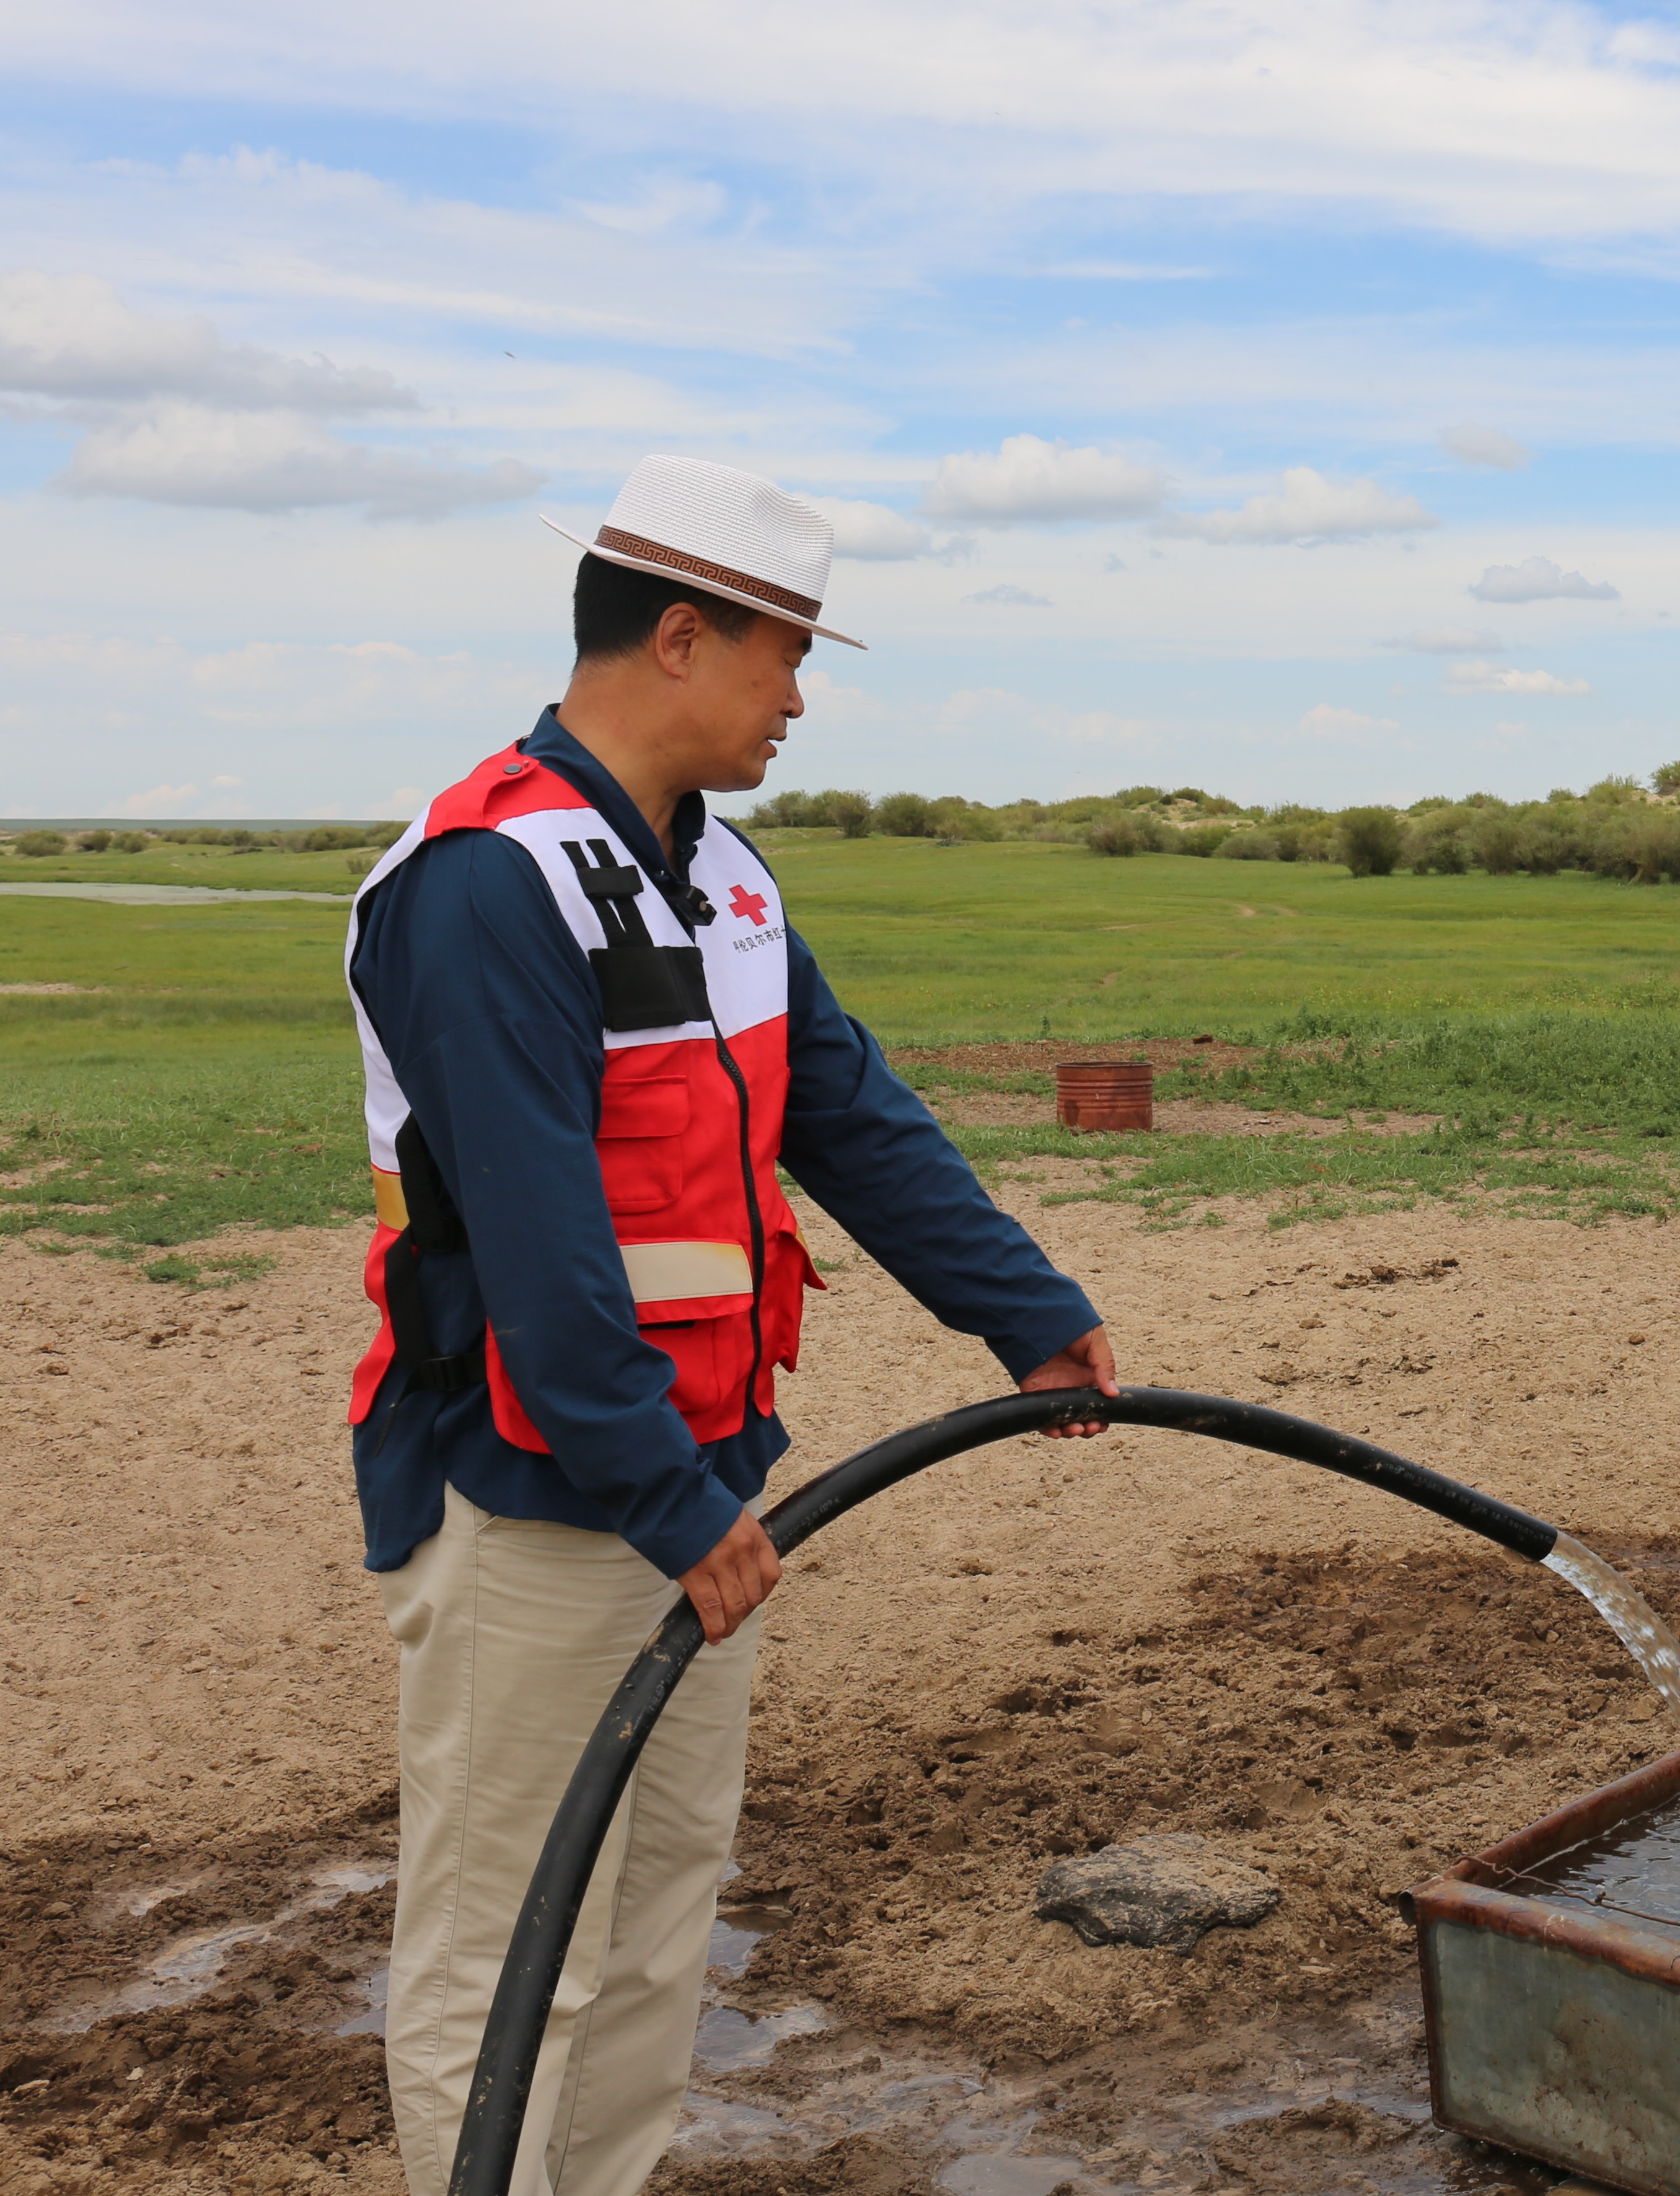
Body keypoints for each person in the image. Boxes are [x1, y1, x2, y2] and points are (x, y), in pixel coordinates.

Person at [345, 455, 1119, 2196]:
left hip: (706, 1489)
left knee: (649, 1932)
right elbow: (546, 1262)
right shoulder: (486, 886)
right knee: (507, 1949)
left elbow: (848, 1113)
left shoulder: (724, 878)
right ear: (683, 639)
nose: (796, 699)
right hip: (551, 1501)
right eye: (788, 655)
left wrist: (1028, 1315)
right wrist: (674, 1507)